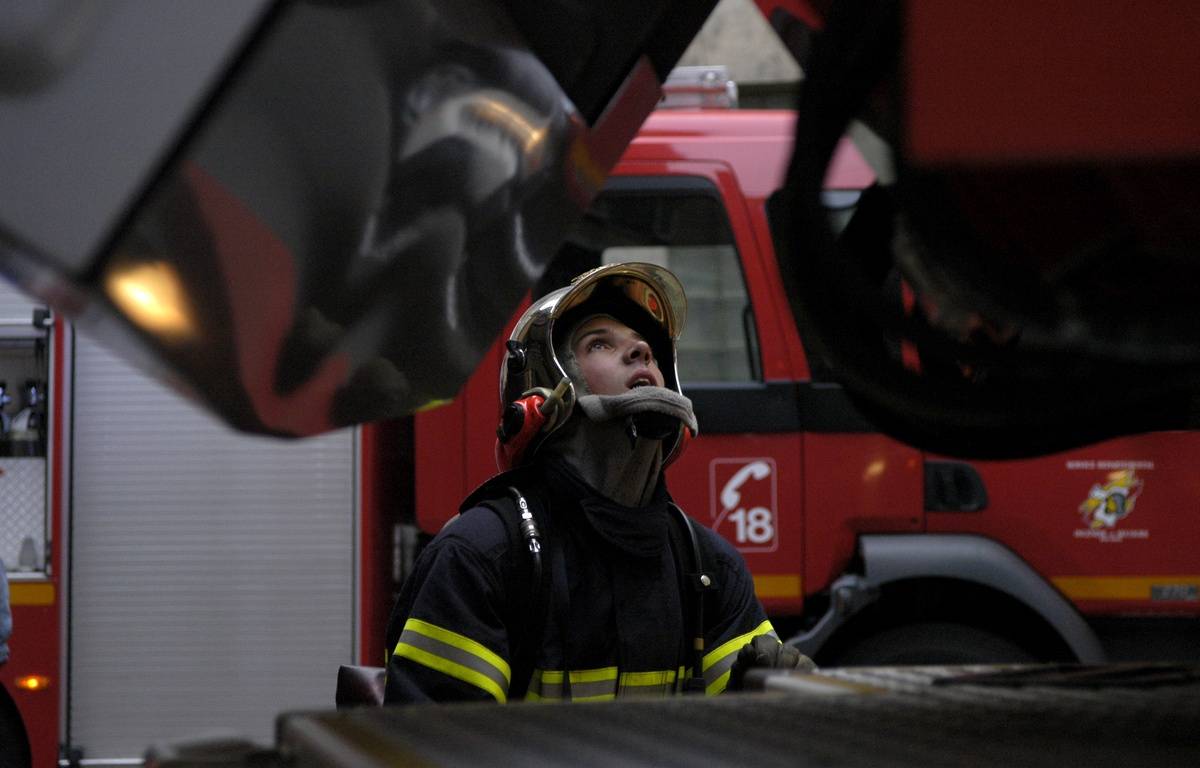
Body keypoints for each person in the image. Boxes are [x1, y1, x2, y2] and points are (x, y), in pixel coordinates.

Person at [384, 262, 811, 704]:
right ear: (543, 398)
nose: (642, 350)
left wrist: (773, 696)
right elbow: (436, 746)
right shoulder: (481, 559)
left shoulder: (706, 567)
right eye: (600, 343)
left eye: (644, 347)